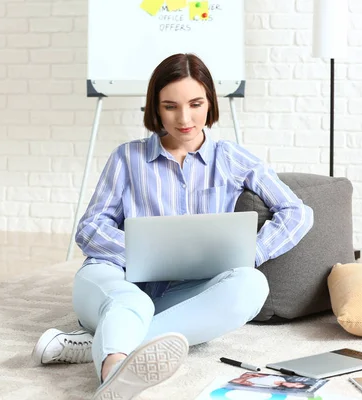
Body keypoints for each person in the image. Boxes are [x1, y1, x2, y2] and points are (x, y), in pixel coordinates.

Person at [31, 53, 314, 400]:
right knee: (128, 302)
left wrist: (252, 252)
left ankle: (103, 342)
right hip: (116, 278)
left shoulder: (233, 159)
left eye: (196, 104)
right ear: (155, 108)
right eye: (170, 106)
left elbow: (296, 211)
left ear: (210, 101)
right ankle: (113, 371)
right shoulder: (126, 157)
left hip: (183, 294)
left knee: (251, 285)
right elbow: (89, 228)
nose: (185, 118)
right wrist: (141, 256)